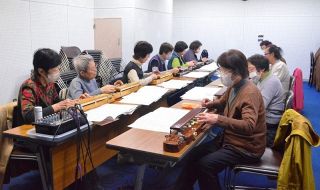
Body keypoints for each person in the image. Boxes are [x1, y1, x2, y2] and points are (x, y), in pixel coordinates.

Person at [175, 49, 266, 190]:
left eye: (223, 70)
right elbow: (223, 102)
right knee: (193, 154)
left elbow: (249, 126)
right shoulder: (235, 85)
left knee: (205, 165)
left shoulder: (250, 92)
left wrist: (218, 119)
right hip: (231, 139)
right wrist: (210, 104)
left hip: (246, 147)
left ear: (235, 72)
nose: (221, 73)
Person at [17, 48, 77, 124]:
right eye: (55, 70)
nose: (59, 72)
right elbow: (29, 116)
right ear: (41, 71)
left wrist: (71, 102)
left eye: (59, 68)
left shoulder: (49, 82)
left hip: (45, 125)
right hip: (27, 130)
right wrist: (57, 106)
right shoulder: (28, 87)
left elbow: (56, 100)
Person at [248, 54, 285, 147]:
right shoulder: (262, 77)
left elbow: (261, 107)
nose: (248, 71)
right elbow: (250, 84)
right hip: (267, 117)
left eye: (251, 69)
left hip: (269, 123)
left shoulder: (271, 82)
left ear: (262, 69)